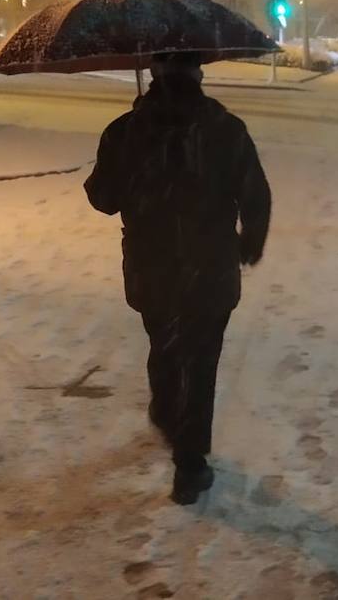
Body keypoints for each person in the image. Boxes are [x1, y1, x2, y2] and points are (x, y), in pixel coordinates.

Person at [84, 51, 272, 506]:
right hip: (210, 269)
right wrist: (249, 242)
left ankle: (168, 410)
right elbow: (256, 194)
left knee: (164, 347)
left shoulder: (125, 132)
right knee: (202, 362)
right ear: (198, 75)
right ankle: (190, 467)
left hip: (153, 269)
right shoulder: (224, 130)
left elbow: (102, 198)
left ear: (152, 75)